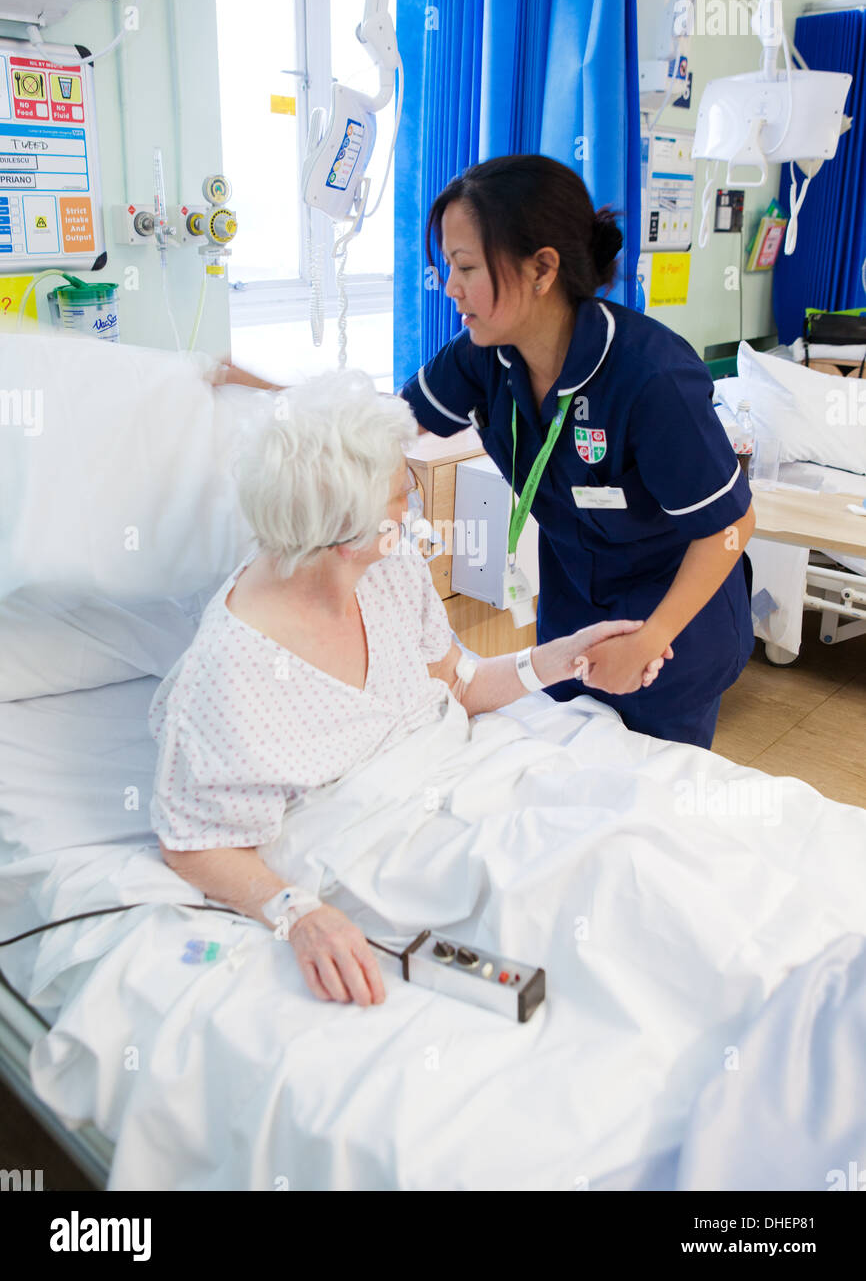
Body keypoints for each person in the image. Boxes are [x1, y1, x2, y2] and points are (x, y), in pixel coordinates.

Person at [150, 370, 671, 1006]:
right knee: (584, 897)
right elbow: (196, 844)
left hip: (467, 778)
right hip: (382, 841)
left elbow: (459, 679)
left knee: (632, 840)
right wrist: (298, 915)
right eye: (403, 494)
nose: (415, 505)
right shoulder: (233, 668)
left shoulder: (387, 567)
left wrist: (559, 660)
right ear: (345, 528)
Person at [400, 154, 756, 749]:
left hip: (669, 631)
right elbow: (386, 421)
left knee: (646, 806)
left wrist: (649, 638)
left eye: (464, 266)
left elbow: (733, 524)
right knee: (568, 795)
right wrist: (254, 394)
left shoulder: (650, 377)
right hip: (571, 620)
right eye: (447, 267)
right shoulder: (485, 354)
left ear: (541, 269)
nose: (449, 287)